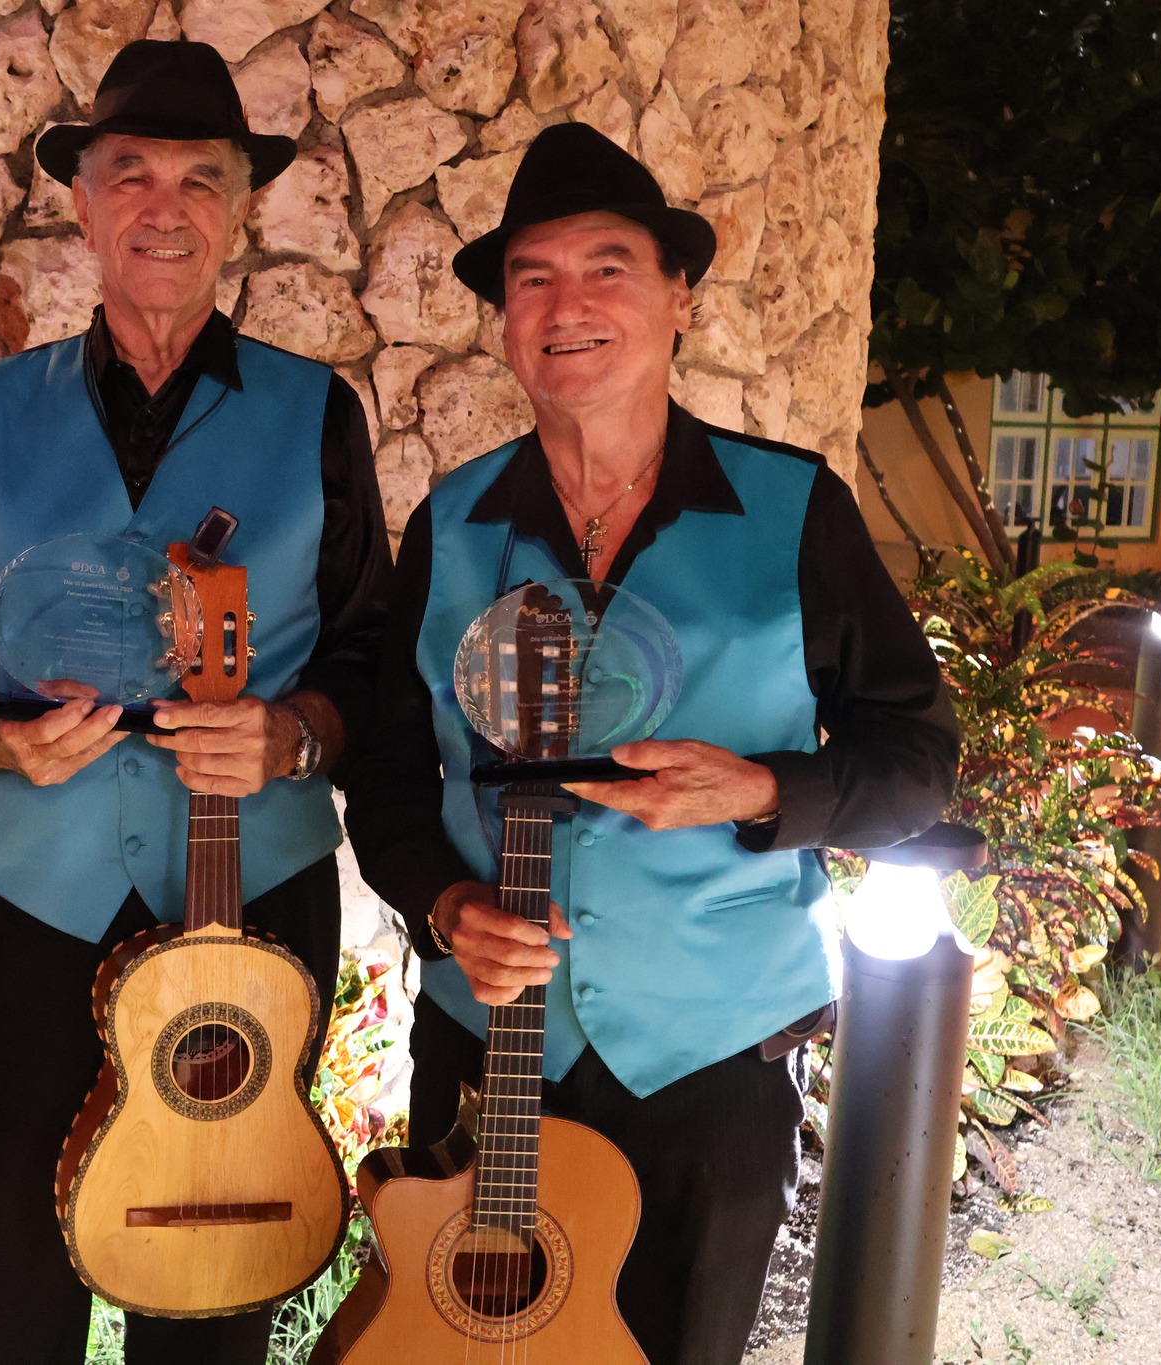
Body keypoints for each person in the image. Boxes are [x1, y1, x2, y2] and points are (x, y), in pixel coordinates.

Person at [343, 123, 960, 1365]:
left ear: (679, 296)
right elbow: (388, 769)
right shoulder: (451, 524)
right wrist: (445, 904)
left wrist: (760, 789)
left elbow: (914, 759)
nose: (566, 305)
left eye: (606, 268)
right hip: (486, 1045)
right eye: (531, 278)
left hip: (708, 1055)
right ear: (505, 321)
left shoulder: (792, 508)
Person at [0, 38, 389, 1365]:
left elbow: (372, 660)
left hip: (248, 915)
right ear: (84, 203)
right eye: (131, 174)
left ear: (242, 208)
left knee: (209, 1293)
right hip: (17, 910)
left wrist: (292, 736)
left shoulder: (317, 415)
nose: (166, 206)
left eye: (200, 177)